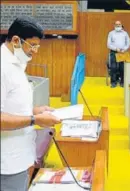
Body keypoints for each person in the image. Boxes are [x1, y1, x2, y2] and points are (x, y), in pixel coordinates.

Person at [1, 16, 61, 191]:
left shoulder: (17, 64)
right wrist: (35, 119)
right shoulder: (2, 67)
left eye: (37, 46)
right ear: (15, 40)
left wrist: (37, 110)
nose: (35, 51)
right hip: (6, 163)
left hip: (20, 156)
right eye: (32, 45)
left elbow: (11, 105)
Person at [107, 20, 130, 88]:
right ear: (114, 25)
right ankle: (113, 82)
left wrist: (124, 49)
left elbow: (128, 43)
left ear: (121, 25)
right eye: (116, 24)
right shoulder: (111, 33)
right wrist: (116, 49)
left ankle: (122, 82)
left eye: (119, 24)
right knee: (113, 67)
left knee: (122, 68)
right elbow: (108, 44)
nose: (118, 25)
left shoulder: (125, 33)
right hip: (114, 52)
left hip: (122, 52)